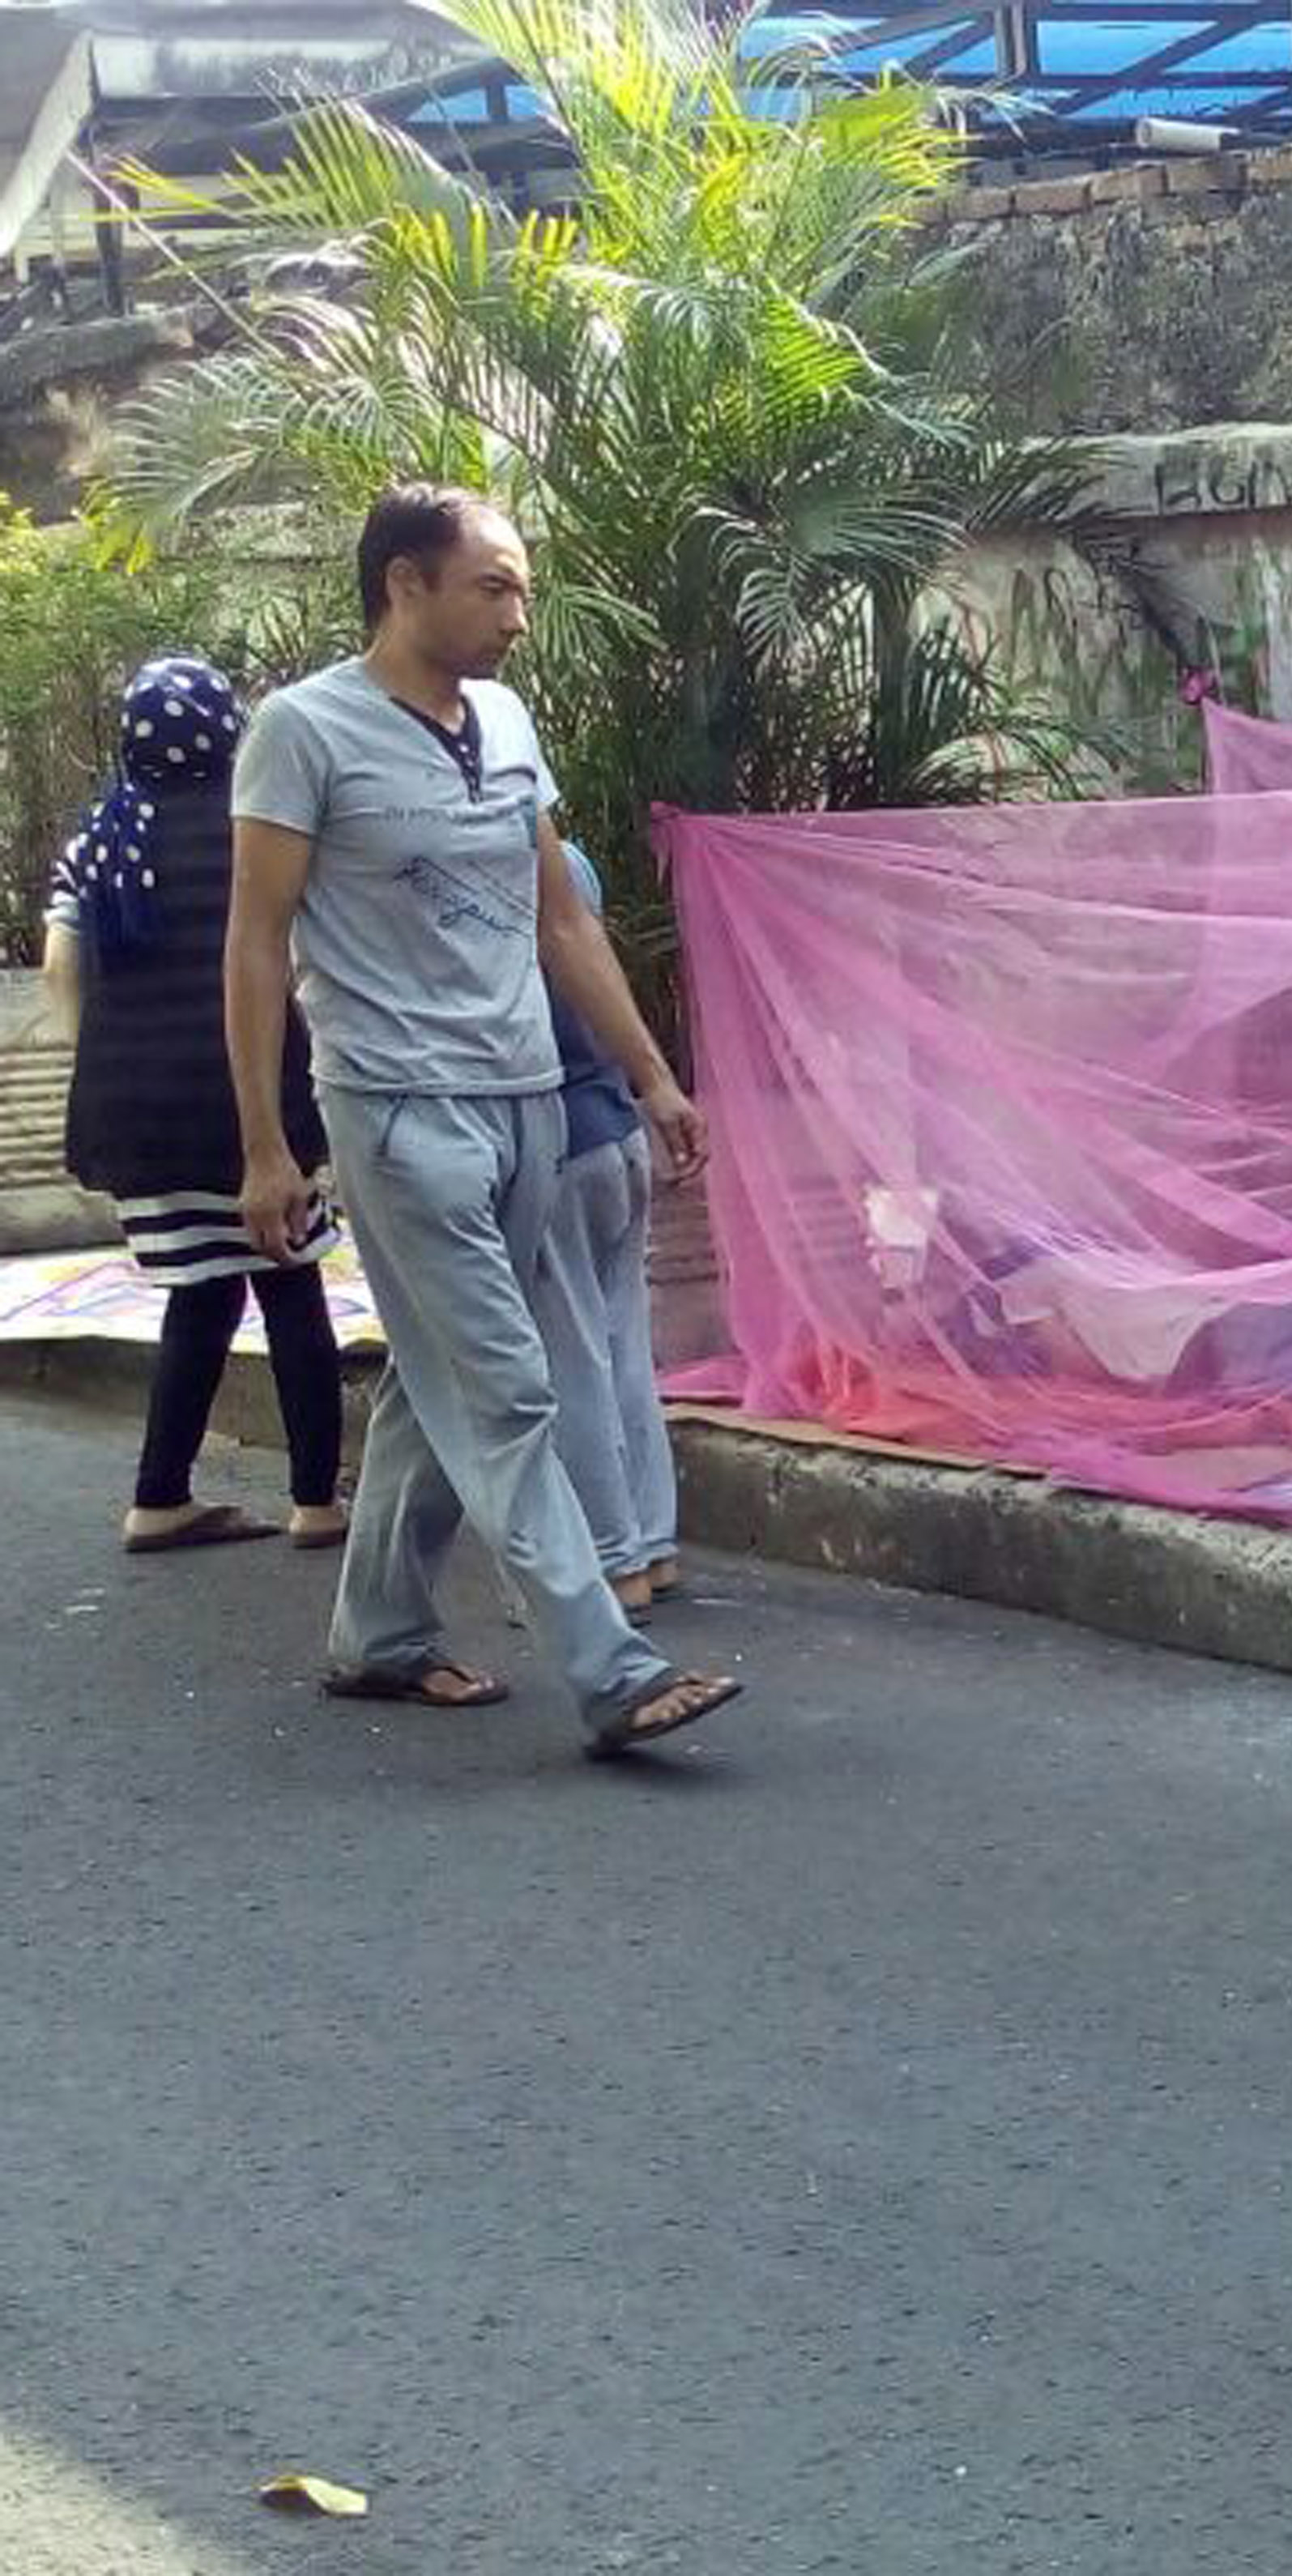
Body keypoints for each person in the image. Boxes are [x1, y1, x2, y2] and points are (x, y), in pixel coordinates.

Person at [224, 484, 742, 1754]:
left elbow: (561, 917)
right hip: (399, 1114)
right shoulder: (303, 731)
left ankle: (380, 1637)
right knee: (509, 1390)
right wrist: (264, 1146)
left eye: (521, 587)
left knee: (434, 1382)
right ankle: (612, 1666)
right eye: (494, 586)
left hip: (528, 1108)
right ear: (405, 583)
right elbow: (255, 941)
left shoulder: (505, 721)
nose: (520, 614)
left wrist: (649, 1077)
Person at [43, 655, 348, 1555]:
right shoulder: (258, 823)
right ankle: (316, 1501)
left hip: (137, 1110)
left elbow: (63, 968)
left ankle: (159, 1497)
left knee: (201, 1288)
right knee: (291, 1286)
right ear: (228, 729)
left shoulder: (99, 837)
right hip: (252, 1105)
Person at [530, 838, 682, 1615]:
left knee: (573, 1356)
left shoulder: (484, 864)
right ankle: (653, 1545)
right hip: (619, 1130)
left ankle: (612, 1559)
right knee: (624, 1346)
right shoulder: (576, 862)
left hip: (555, 1140)